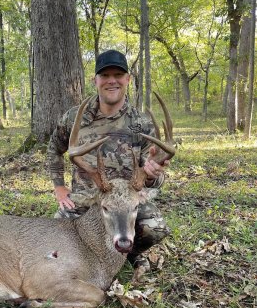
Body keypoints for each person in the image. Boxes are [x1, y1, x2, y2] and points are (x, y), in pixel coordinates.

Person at [46, 49, 170, 279]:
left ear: (127, 80)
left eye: (118, 74)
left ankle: (127, 253)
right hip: (85, 201)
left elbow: (156, 179)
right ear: (95, 80)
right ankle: (98, 255)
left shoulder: (141, 122)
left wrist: (153, 174)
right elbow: (54, 149)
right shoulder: (75, 117)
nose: (112, 80)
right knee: (56, 239)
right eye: (105, 75)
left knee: (155, 227)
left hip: (125, 202)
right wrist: (59, 186)